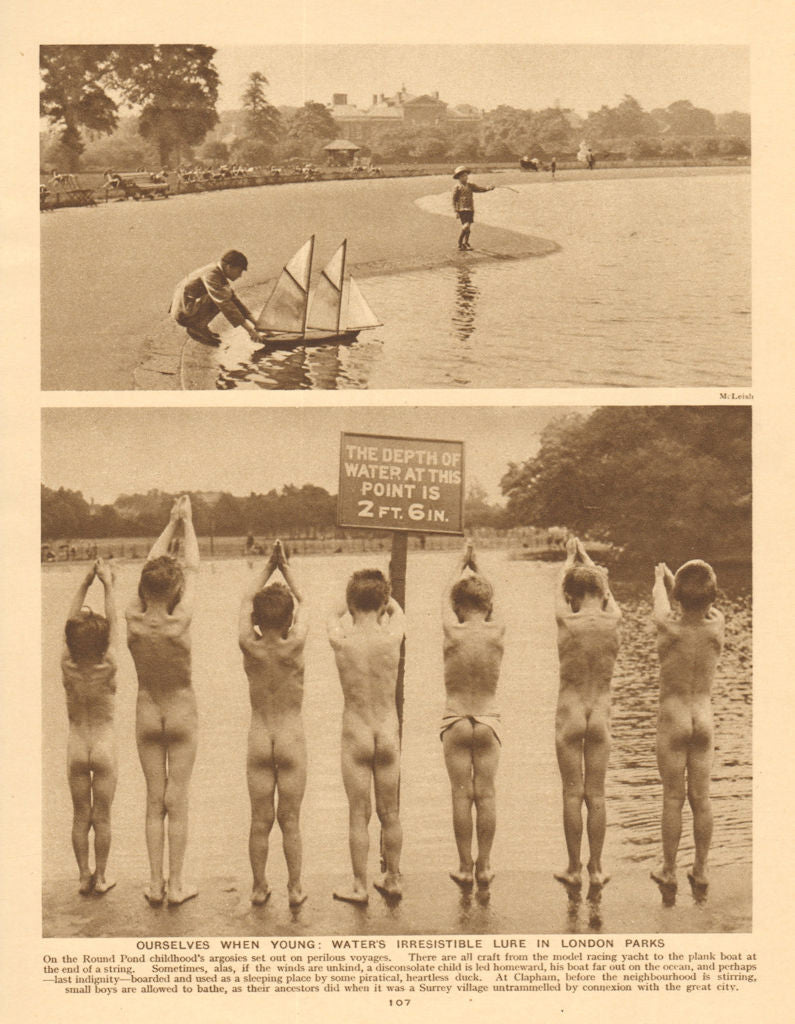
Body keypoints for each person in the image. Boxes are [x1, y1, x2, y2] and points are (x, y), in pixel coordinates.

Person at [126, 495, 199, 905]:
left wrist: (169, 523)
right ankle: (176, 885)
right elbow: (191, 566)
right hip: (181, 710)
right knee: (178, 798)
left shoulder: (133, 618)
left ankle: (154, 884)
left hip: (147, 710)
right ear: (176, 590)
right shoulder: (180, 620)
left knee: (155, 798)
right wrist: (186, 523)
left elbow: (148, 568)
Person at [327, 568, 405, 902]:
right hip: (387, 732)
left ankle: (359, 885)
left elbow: (332, 613)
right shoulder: (393, 638)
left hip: (356, 733)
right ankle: (393, 878)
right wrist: (386, 600)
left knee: (359, 814)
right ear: (383, 601)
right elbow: (398, 611)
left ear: (350, 601)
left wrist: (349, 601)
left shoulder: (341, 641)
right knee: (390, 813)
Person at [239, 540, 308, 907]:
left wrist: (267, 568)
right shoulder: (294, 644)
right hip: (291, 736)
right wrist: (286, 568)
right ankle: (295, 889)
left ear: (255, 620)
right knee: (291, 821)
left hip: (259, 737)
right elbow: (307, 603)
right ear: (290, 620)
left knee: (260, 820)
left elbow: (243, 602)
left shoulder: (248, 644)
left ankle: (259, 886)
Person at [650, 560, 724, 893]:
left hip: (674, 717)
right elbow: (704, 603)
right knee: (701, 798)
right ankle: (702, 869)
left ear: (677, 594)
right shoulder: (717, 624)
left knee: (672, 798)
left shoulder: (668, 625)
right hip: (703, 718)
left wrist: (661, 578)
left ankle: (668, 870)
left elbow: (661, 600)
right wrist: (678, 581)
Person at [554, 537, 621, 890]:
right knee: (596, 794)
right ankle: (596, 868)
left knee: (571, 794)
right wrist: (588, 559)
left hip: (571, 712)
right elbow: (606, 591)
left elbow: (560, 586)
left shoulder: (566, 618)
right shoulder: (614, 618)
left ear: (572, 597)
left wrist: (569, 559)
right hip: (600, 714)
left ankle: (573, 868)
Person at [440, 544, 505, 891]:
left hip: (455, 720)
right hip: (488, 719)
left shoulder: (452, 631)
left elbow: (443, 600)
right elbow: (498, 602)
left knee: (461, 796)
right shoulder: (498, 631)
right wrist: (479, 567)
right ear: (489, 607)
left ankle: (465, 867)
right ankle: (485, 866)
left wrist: (459, 565)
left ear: (457, 607)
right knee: (487, 795)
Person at [61, 559, 119, 895]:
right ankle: (102, 875)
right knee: (103, 818)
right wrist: (107, 585)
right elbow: (113, 627)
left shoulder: (66, 664)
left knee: (80, 816)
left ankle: (83, 875)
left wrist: (83, 583)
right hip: (103, 746)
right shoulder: (107, 663)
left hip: (76, 746)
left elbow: (67, 626)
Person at [169, 250, 262, 347]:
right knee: (221, 299)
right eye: (239, 271)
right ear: (229, 267)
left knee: (225, 295)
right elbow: (225, 304)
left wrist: (256, 323)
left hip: (187, 307)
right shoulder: (212, 275)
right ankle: (196, 327)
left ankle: (200, 326)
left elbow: (235, 300)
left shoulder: (217, 272)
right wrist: (250, 331)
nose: (240, 276)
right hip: (182, 314)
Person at [452, 166, 495, 251]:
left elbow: (479, 189)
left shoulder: (470, 185)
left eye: (466, 175)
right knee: (465, 226)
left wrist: (488, 188)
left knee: (468, 227)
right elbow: (454, 200)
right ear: (459, 177)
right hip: (462, 209)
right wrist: (456, 211)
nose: (465, 177)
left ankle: (466, 243)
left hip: (470, 208)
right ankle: (460, 242)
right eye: (463, 176)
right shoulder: (457, 187)